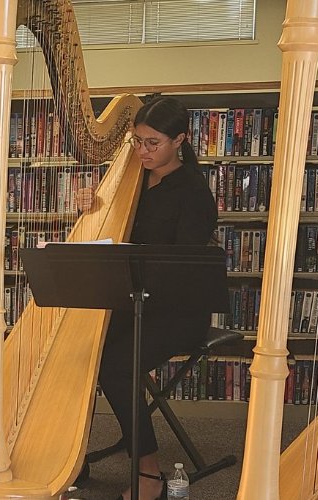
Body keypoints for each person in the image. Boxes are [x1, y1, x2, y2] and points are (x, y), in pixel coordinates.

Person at [74, 97, 219, 499]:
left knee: (117, 366)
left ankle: (150, 472)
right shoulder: (132, 178)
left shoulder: (192, 193)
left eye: (153, 143)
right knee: (78, 349)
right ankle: (68, 455)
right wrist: (91, 204)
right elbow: (109, 228)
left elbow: (185, 271)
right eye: (137, 142)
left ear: (180, 140)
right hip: (133, 300)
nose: (142, 151)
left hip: (178, 310)